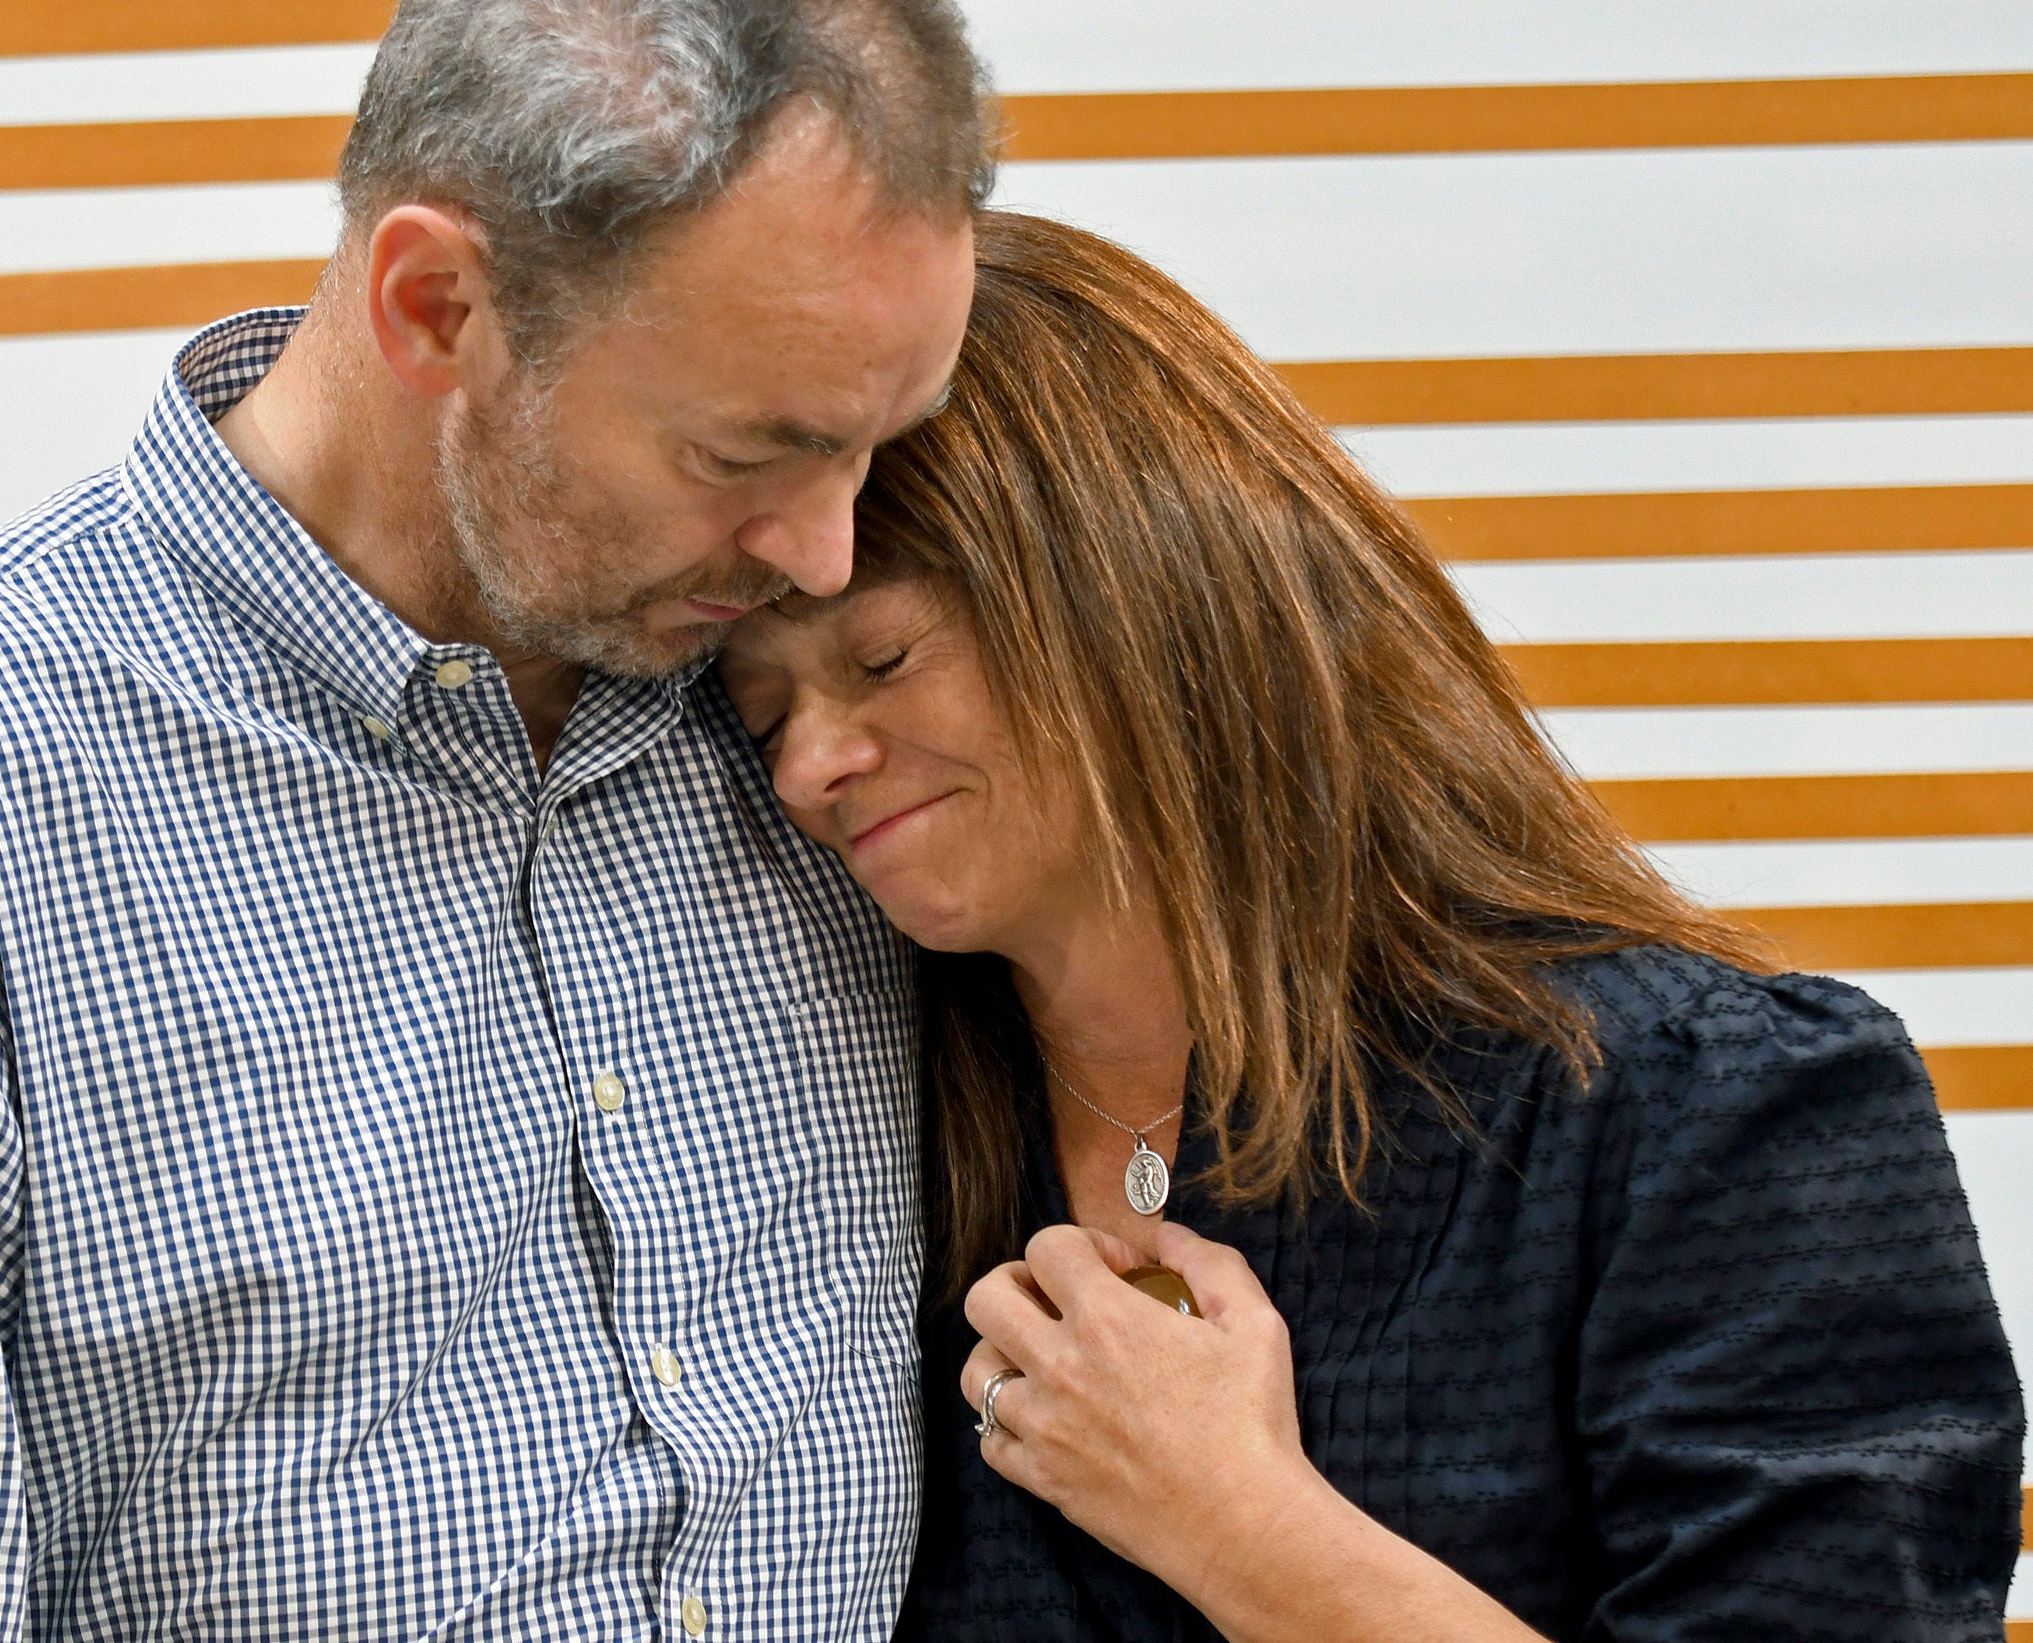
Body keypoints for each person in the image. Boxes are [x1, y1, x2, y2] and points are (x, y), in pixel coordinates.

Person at [0, 0, 988, 1634]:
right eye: (745, 453)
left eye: (874, 445)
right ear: (434, 307)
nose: (821, 549)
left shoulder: (815, 726)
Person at [719, 210, 2025, 1642]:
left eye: (882, 656)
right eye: (764, 712)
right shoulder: (844, 1153)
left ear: (1147, 587)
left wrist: (1237, 1524)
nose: (810, 766)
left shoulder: (1713, 1113)